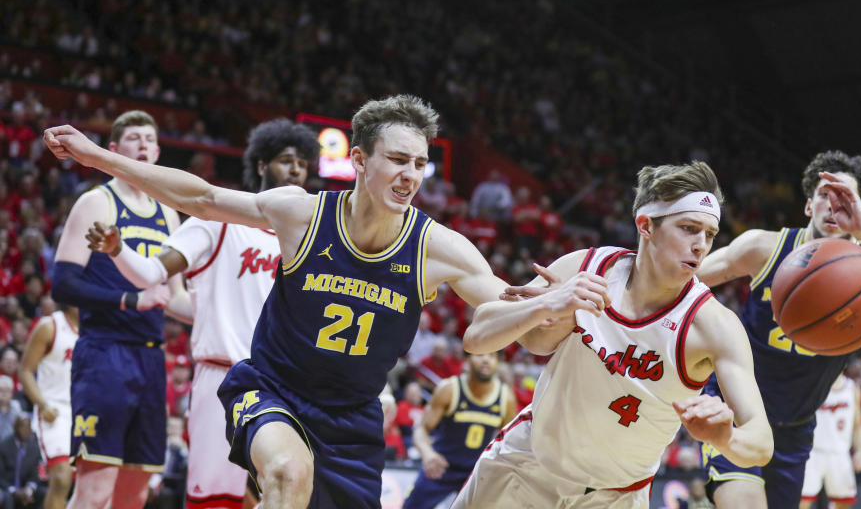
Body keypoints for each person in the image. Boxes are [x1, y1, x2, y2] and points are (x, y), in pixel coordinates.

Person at [44, 95, 531, 509]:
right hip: (271, 388)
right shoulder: (300, 213)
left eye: (420, 164)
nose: (411, 175)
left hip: (350, 417)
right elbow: (202, 198)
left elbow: (514, 312)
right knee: (284, 474)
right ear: (359, 160)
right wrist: (100, 159)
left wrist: (556, 302)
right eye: (398, 160)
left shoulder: (437, 247)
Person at [451, 161, 773, 509]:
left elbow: (761, 442)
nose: (700, 245)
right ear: (645, 225)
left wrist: (726, 439)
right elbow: (478, 335)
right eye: (689, 228)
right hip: (526, 464)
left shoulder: (713, 326)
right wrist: (546, 305)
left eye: (709, 234)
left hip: (616, 497)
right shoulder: (587, 267)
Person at [84, 117, 318, 509]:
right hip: (224, 377)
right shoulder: (219, 222)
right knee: (214, 501)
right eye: (285, 160)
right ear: (261, 166)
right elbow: (151, 273)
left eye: (302, 163)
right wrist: (119, 249)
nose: (296, 169)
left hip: (285, 384)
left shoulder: (311, 241)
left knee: (285, 492)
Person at [696, 150, 861, 509]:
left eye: (847, 198)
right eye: (825, 194)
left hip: (795, 428)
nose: (834, 205)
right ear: (809, 206)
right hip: (735, 409)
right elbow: (682, 280)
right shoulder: (765, 249)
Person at [49, 110, 183, 509]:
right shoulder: (96, 202)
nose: (142, 145)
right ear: (112, 151)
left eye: (148, 139)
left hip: (150, 358)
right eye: (133, 139)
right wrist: (128, 300)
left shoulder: (168, 213)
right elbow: (63, 284)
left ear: (157, 152)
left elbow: (173, 296)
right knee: (93, 493)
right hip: (105, 353)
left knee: (135, 494)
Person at [403, 352, 517, 509]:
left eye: (492, 356)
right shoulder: (449, 389)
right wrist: (427, 453)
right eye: (480, 354)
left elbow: (510, 442)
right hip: (441, 468)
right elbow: (421, 429)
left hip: (476, 473)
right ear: (467, 359)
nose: (486, 360)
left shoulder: (506, 397)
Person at [18, 305, 79, 509]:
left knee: (91, 483)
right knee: (61, 478)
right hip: (55, 410)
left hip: (86, 410)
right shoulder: (50, 326)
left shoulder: (97, 328)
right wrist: (43, 405)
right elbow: (25, 370)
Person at [799, 373, 861, 509]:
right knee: (801, 501)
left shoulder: (852, 388)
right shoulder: (813, 383)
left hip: (840, 453)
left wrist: (860, 450)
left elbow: (858, 425)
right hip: (812, 452)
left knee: (844, 502)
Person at [0, 414, 43, 508]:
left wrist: (29, 489)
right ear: (15, 428)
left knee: (44, 493)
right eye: (23, 427)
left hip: (25, 488)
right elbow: (1, 476)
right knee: (7, 497)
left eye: (28, 428)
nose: (26, 431)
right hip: (7, 488)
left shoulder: (34, 448)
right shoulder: (4, 446)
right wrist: (15, 491)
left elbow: (35, 475)